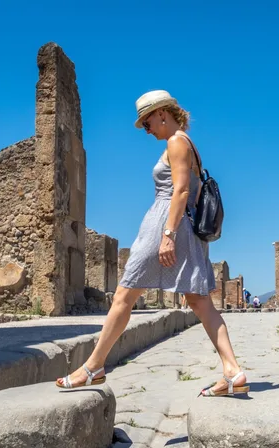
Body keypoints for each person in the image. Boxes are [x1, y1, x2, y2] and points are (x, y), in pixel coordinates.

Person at [56, 90, 248, 397]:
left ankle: (93, 368)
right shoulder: (186, 143)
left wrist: (167, 236)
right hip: (184, 228)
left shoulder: (176, 141)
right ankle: (233, 371)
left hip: (167, 224)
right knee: (199, 301)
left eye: (147, 123)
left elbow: (182, 191)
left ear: (162, 113)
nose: (147, 131)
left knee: (123, 294)